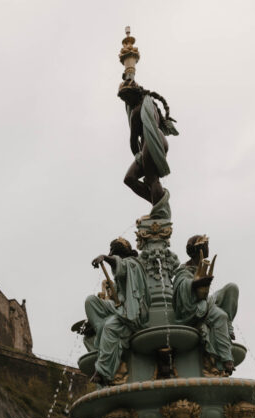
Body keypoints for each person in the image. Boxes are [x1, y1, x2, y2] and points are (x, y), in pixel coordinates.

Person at [83, 237, 150, 386]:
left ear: (120, 254)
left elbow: (122, 266)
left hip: (133, 311)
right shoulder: (122, 267)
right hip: (120, 307)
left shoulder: (134, 264)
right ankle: (100, 330)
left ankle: (103, 371)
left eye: (114, 252)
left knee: (110, 327)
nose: (111, 254)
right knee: (91, 301)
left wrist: (105, 258)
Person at [172, 234, 238, 375]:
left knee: (231, 289)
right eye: (206, 245)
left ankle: (229, 326)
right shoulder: (184, 269)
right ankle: (226, 359)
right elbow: (181, 286)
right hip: (193, 309)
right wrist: (197, 283)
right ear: (199, 249)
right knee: (220, 316)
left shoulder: (201, 265)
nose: (208, 248)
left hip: (206, 302)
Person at [119, 81, 178, 206]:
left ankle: (159, 211)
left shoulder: (137, 111)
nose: (127, 101)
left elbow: (133, 141)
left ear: (135, 94)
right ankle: (159, 205)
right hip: (159, 140)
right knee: (130, 179)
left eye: (127, 98)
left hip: (150, 141)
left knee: (150, 178)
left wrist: (138, 156)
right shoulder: (149, 103)